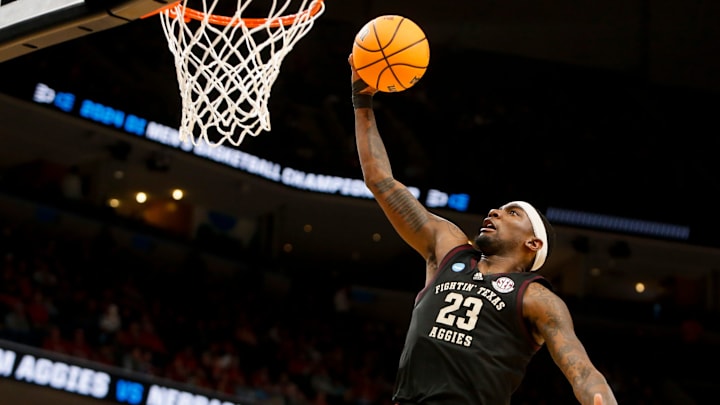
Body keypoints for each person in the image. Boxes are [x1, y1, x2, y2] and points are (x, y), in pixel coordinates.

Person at [348, 55, 618, 405]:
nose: (495, 212)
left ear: (532, 242)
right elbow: (381, 180)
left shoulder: (537, 299)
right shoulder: (448, 249)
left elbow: (582, 371)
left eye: (513, 212)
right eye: (500, 208)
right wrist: (362, 100)